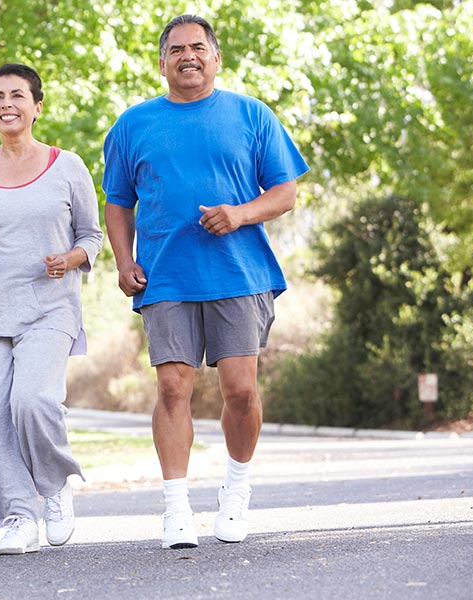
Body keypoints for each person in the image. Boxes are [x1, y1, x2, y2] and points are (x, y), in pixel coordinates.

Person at [102, 15, 309, 550]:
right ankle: (176, 508)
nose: (187, 56)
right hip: (166, 275)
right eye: (176, 49)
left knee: (240, 391)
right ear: (162, 61)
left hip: (239, 274)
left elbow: (284, 193)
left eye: (198, 47)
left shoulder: (251, 115)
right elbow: (118, 204)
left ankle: (235, 492)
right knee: (173, 388)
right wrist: (123, 261)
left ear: (216, 57)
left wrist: (239, 215)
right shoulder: (132, 125)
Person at [0, 63, 103, 555]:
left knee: (32, 400)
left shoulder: (68, 165)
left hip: (48, 307)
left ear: (37, 105)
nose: (6, 103)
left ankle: (53, 487)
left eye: (16, 95)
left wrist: (73, 258)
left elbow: (91, 236)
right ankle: (19, 516)